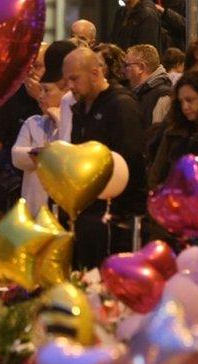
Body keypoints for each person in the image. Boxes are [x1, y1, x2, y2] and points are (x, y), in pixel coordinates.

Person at [63, 47, 147, 268]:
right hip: (88, 213)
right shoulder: (80, 108)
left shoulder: (121, 105)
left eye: (74, 78)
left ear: (95, 72)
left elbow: (131, 162)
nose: (70, 86)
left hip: (118, 219)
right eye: (67, 80)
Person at [12, 60, 70, 215]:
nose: (40, 96)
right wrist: (45, 153)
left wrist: (59, 121)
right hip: (32, 208)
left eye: (46, 90)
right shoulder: (33, 122)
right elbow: (16, 156)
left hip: (58, 210)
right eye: (40, 90)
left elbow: (65, 157)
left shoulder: (71, 124)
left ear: (65, 93)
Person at [148, 70, 198, 187]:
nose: (185, 107)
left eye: (190, 100)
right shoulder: (173, 133)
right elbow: (155, 176)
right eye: (181, 102)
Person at [124, 44, 172, 127]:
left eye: (127, 65)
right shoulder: (139, 92)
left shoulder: (163, 97)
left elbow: (157, 136)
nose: (123, 71)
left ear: (141, 68)